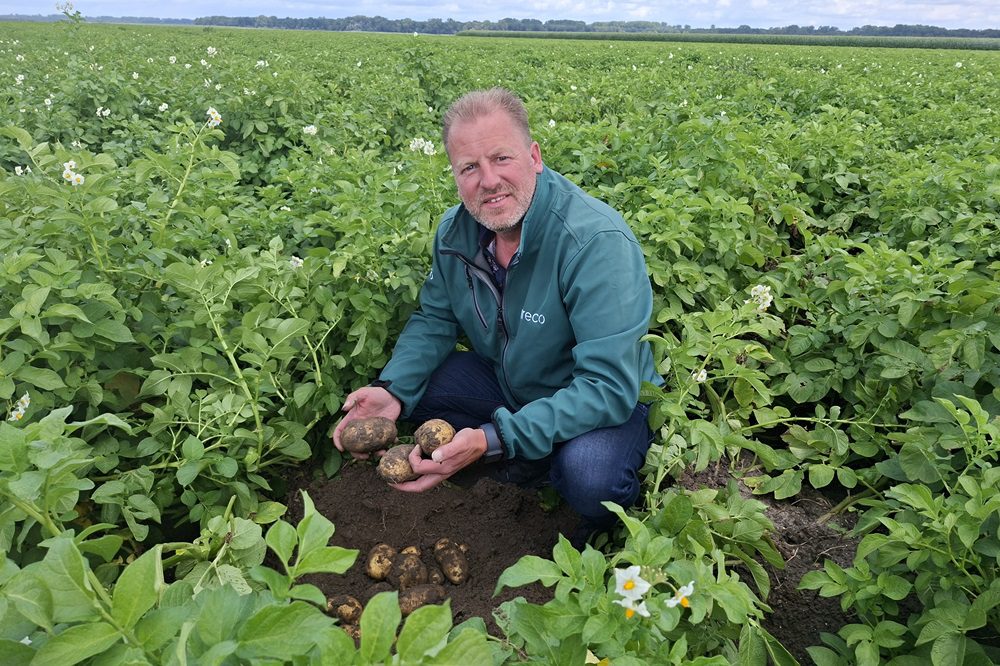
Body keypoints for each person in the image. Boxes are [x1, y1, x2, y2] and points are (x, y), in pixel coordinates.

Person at [332, 87, 663, 546]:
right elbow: (435, 319)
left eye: (501, 158)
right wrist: (392, 391)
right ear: (455, 175)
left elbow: (607, 388)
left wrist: (492, 437)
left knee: (591, 478)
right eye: (470, 167)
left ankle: (547, 473)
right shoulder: (456, 232)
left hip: (602, 401)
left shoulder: (594, 243)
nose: (488, 181)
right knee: (415, 389)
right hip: (513, 384)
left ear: (534, 157)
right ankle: (524, 450)